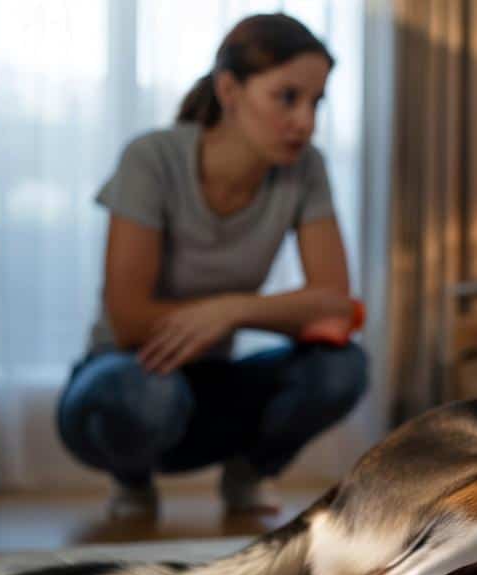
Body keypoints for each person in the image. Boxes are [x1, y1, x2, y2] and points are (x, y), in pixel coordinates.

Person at [57, 13, 367, 520]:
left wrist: (231, 310)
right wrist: (240, 311)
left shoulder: (306, 169)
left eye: (316, 102)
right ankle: (131, 478)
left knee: (343, 367)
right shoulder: (152, 157)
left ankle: (249, 470)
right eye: (287, 97)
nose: (305, 122)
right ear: (229, 89)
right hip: (126, 377)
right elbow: (129, 318)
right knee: (145, 394)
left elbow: (336, 305)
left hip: (213, 385)